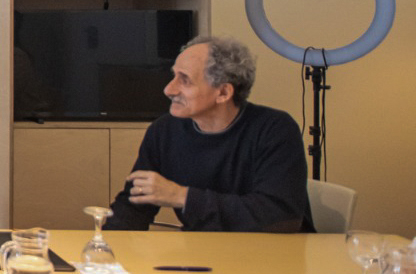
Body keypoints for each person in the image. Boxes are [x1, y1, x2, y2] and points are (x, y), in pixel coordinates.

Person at [105, 35, 314, 233]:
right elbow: (134, 205)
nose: (168, 89)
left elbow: (280, 216)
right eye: (173, 76)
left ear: (223, 92)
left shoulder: (275, 130)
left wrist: (183, 197)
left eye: (185, 80)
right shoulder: (164, 131)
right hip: (200, 250)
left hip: (275, 253)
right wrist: (104, 247)